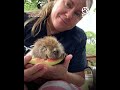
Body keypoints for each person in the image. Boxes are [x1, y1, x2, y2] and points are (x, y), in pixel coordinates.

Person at [24, 0, 93, 90]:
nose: (68, 16)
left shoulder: (78, 37)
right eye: (68, 4)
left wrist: (64, 75)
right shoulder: (26, 20)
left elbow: (80, 80)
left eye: (77, 13)